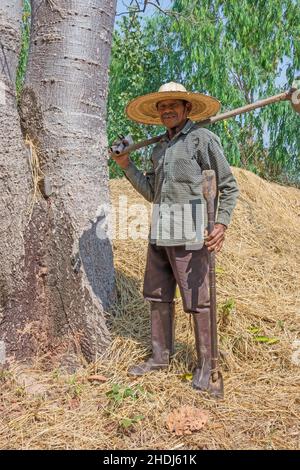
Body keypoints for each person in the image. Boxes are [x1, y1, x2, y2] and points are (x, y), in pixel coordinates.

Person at [111, 82, 239, 393]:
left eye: (173, 105)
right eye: (161, 106)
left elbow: (229, 186)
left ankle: (208, 368)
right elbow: (152, 193)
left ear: (186, 109)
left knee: (199, 302)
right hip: (160, 232)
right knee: (157, 296)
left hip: (192, 231)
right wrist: (126, 166)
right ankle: (159, 358)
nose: (167, 110)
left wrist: (220, 224)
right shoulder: (158, 149)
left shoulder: (201, 140)